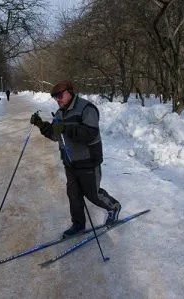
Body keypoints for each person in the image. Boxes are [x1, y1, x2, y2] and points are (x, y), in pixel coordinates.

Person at [30, 80, 121, 237]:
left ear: (69, 92)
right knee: (74, 196)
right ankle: (78, 225)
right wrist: (41, 125)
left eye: (60, 96)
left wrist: (66, 128)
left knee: (92, 193)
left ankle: (113, 207)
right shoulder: (59, 114)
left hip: (88, 161)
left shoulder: (86, 109)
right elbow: (55, 135)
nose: (57, 100)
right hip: (70, 162)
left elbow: (89, 134)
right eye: (55, 97)